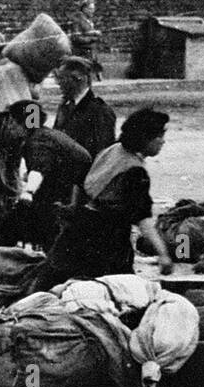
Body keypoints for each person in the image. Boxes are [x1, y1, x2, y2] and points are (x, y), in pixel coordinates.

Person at [35, 107, 174, 290]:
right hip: (108, 238)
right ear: (146, 138)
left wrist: (73, 207)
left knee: (56, 281)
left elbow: (83, 181)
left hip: (79, 226)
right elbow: (143, 220)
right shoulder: (134, 171)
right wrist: (163, 254)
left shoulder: (113, 151)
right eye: (159, 136)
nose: (162, 142)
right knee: (114, 289)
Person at [7, 99, 92, 250]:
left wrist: (28, 192)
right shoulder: (45, 134)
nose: (10, 125)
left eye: (13, 121)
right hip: (75, 184)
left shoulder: (36, 141)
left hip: (75, 190)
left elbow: (38, 169)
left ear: (24, 123)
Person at [0, 55, 39, 222]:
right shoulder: (25, 72)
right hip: (21, 123)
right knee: (13, 169)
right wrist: (33, 129)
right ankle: (12, 214)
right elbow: (35, 98)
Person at [53, 55, 116, 160]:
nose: (58, 83)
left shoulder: (100, 111)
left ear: (78, 78)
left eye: (61, 78)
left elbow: (102, 155)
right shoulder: (64, 106)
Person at [68, 0, 103, 69]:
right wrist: (92, 38)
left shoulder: (89, 21)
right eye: (90, 9)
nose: (92, 11)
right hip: (81, 53)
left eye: (93, 9)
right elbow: (76, 37)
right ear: (84, 9)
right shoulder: (77, 20)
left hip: (90, 53)